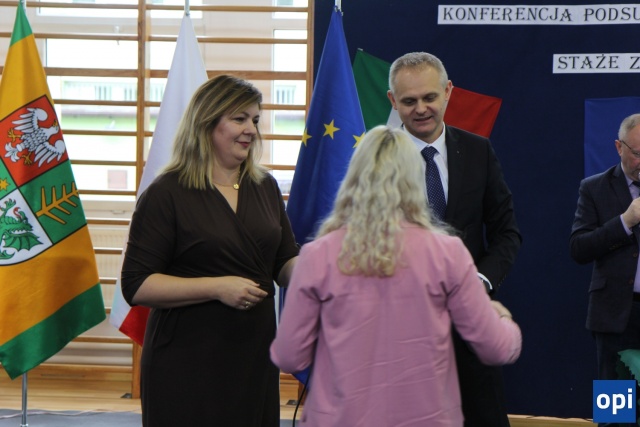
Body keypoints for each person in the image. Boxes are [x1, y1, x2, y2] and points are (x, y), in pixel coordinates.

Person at [270, 125, 522, 427]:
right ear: (415, 180)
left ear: (354, 178)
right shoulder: (447, 253)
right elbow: (496, 347)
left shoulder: (317, 256)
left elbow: (289, 356)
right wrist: (502, 319)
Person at [120, 75, 299, 427]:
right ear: (206, 122)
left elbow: (283, 263)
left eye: (255, 119)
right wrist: (217, 287)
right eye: (239, 118)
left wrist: (324, 265)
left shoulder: (265, 186)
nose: (251, 130)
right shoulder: (166, 193)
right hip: (186, 359)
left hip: (254, 354)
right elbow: (137, 284)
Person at [386, 51, 522, 426]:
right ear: (393, 101)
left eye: (430, 97)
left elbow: (507, 232)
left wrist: (477, 282)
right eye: (409, 101)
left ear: (448, 92)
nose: (421, 109)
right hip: (400, 333)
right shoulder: (376, 160)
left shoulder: (478, 151)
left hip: (471, 326)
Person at [570, 113, 640, 427]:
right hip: (616, 317)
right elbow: (579, 248)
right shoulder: (594, 188)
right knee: (615, 414)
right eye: (637, 153)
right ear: (618, 147)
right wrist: (625, 222)